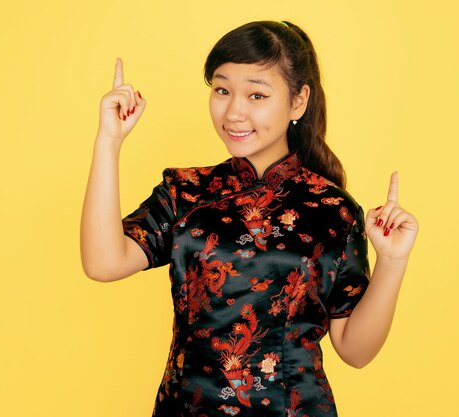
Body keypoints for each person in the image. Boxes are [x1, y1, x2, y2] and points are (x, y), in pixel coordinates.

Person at [80, 20, 418, 417]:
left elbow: (355, 351)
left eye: (256, 95)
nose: (234, 111)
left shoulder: (333, 211)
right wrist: (109, 141)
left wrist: (393, 261)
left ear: (298, 101)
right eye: (222, 90)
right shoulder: (186, 191)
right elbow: (103, 262)